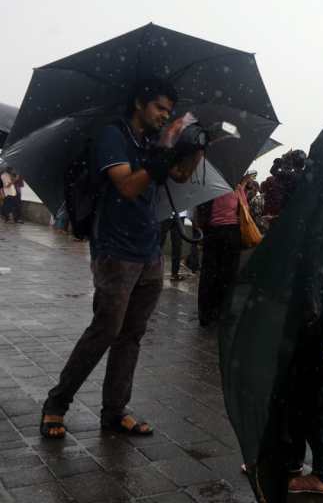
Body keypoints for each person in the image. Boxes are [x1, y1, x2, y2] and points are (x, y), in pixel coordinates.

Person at [40, 79, 202, 439]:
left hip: (148, 250)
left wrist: (197, 147)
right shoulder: (112, 136)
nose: (165, 116)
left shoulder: (151, 142)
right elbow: (128, 186)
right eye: (160, 107)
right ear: (139, 103)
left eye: (169, 111)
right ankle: (56, 404)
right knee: (105, 330)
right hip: (115, 249)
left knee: (131, 335)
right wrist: (159, 160)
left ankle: (114, 412)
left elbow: (180, 174)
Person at [219, 125, 323, 501]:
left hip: (319, 308)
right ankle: (309, 466)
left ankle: (300, 466)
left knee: (303, 390)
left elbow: (314, 259)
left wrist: (301, 306)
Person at [196, 182, 248, 327]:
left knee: (208, 273)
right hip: (231, 234)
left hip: (212, 233)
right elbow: (244, 208)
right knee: (228, 275)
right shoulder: (237, 186)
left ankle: (205, 314)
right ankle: (221, 311)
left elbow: (201, 209)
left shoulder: (211, 184)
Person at [159, 212, 185, 281]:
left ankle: (175, 273)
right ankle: (154, 271)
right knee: (159, 244)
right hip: (167, 214)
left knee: (177, 245)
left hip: (179, 215)